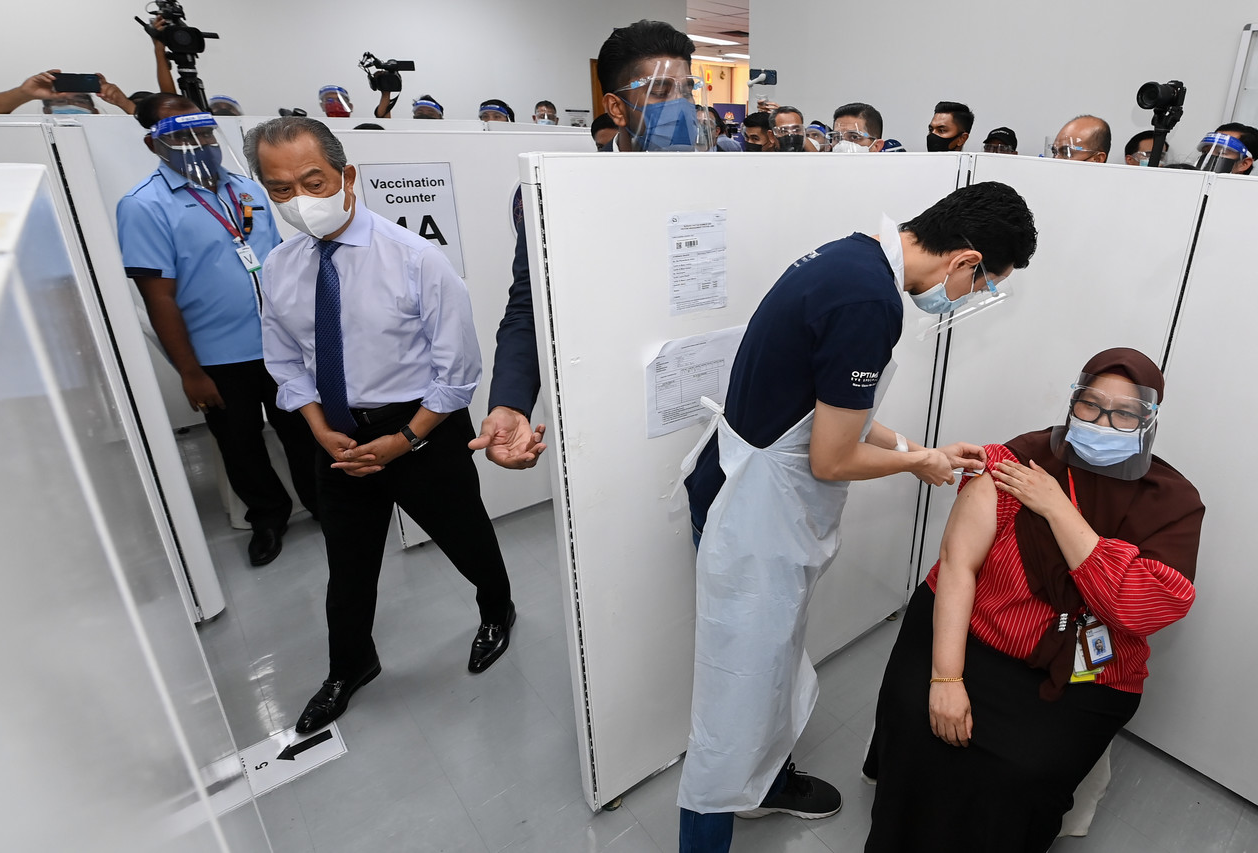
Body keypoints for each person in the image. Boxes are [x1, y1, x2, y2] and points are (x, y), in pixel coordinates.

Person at [680, 181, 1038, 853]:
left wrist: (919, 448)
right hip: (750, 516)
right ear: (963, 260)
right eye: (984, 283)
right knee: (733, 696)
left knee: (770, 663)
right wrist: (918, 468)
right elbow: (831, 456)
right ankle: (703, 836)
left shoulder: (852, 257)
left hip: (751, 492)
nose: (974, 296)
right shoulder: (869, 303)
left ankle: (767, 782)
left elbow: (835, 411)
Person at [863, 348, 1204, 853]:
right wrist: (947, 679)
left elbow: (1136, 608)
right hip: (974, 632)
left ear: (1148, 421)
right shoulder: (1016, 463)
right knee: (915, 721)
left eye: (1125, 413)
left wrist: (1057, 509)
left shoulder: (1173, 503)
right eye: (1090, 404)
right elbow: (959, 565)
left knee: (1023, 771)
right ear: (1072, 402)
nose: (1103, 421)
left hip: (1086, 669)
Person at [246, 116, 517, 734]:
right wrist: (316, 426)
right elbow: (286, 360)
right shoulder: (281, 268)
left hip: (421, 427)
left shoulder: (416, 259)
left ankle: (497, 610)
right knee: (347, 561)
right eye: (280, 189)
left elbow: (458, 371)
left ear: (347, 177)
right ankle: (351, 664)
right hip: (338, 435)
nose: (298, 199)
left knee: (466, 536)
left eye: (312, 181)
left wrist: (405, 439)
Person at [470, 19, 700, 474]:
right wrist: (512, 403)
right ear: (616, 107)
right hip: (609, 404)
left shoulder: (719, 178)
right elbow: (530, 306)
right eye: (659, 92)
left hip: (701, 392)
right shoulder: (556, 193)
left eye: (687, 89)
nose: (680, 106)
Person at [116, 94, 319, 567]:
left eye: (204, 133)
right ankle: (268, 516)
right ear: (154, 144)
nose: (198, 143)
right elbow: (157, 297)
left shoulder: (248, 190)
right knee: (240, 445)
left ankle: (325, 506)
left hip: (282, 346)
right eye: (181, 135)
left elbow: (279, 267)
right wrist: (189, 371)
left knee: (305, 432)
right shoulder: (144, 206)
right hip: (218, 358)